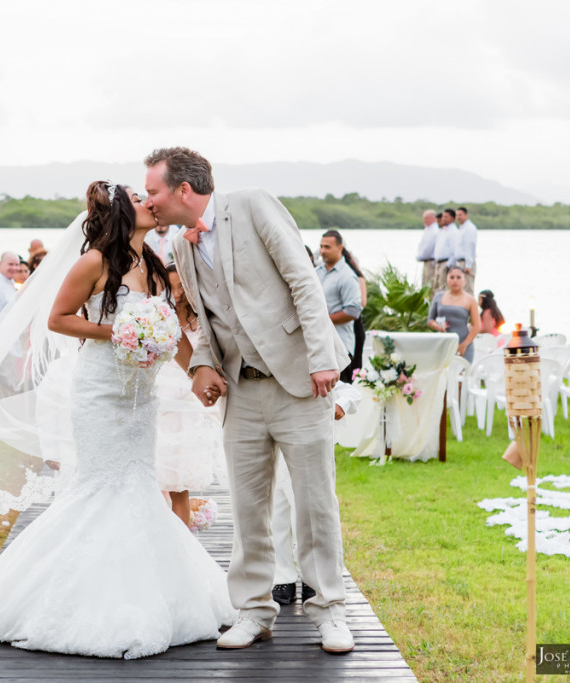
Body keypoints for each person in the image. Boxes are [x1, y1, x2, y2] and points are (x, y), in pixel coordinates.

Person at [0, 180, 234, 658]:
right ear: (123, 213)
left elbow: (166, 330)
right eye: (141, 198)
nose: (152, 202)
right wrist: (119, 331)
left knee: (140, 484)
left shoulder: (150, 262)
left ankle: (156, 593)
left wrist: (197, 372)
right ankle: (67, 600)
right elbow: (58, 318)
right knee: (103, 485)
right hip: (100, 392)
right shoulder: (93, 263)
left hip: (141, 398)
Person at [147, 147, 353, 654]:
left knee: (314, 502)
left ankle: (329, 608)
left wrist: (323, 355)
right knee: (247, 506)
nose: (149, 200)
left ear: (184, 191)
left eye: (153, 191)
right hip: (241, 391)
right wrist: (200, 365)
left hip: (300, 383)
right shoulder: (180, 243)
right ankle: (255, 610)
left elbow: (303, 281)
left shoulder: (254, 205)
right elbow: (200, 316)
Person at [272, 382, 360, 605]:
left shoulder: (313, 371)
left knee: (308, 516)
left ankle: (313, 577)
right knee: (277, 517)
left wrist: (341, 404)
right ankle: (283, 577)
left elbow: (350, 391)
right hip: (275, 451)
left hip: (307, 452)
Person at [156, 262, 224, 527]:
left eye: (181, 287)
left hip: (187, 410)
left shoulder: (204, 323)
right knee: (152, 479)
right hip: (160, 404)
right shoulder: (159, 319)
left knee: (178, 486)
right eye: (169, 286)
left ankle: (180, 548)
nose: (176, 293)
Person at [316, 230, 362, 384]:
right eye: (321, 246)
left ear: (340, 248)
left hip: (340, 348)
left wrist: (322, 321)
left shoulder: (347, 276)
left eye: (327, 247)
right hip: (320, 347)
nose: (322, 251)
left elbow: (353, 311)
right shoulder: (317, 272)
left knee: (340, 400)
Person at [428, 267, 481, 362]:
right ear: (446, 279)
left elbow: (477, 326)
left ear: (464, 280)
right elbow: (430, 320)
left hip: (463, 345)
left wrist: (464, 345)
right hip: (443, 343)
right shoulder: (438, 297)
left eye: (458, 277)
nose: (455, 280)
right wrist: (438, 326)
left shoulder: (470, 300)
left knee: (461, 374)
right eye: (451, 277)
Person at [432, 209, 459, 295]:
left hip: (446, 263)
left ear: (452, 218)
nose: (443, 218)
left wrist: (448, 265)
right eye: (443, 216)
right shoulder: (444, 230)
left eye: (445, 217)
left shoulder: (453, 232)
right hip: (438, 263)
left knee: (443, 288)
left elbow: (455, 251)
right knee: (436, 286)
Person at [455, 207, 478, 294]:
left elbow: (470, 246)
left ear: (466, 215)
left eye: (460, 215)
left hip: (466, 263)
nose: (458, 217)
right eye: (457, 215)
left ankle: (469, 307)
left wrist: (468, 265)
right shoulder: (461, 228)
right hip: (460, 262)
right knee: (461, 289)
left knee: (468, 289)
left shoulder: (470, 228)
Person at [415, 209, 439, 289]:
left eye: (426, 218)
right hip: (426, 261)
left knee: (430, 285)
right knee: (425, 283)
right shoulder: (428, 229)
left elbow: (429, 247)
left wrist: (421, 256)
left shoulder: (434, 230)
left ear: (432, 218)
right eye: (424, 218)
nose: (424, 220)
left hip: (431, 261)